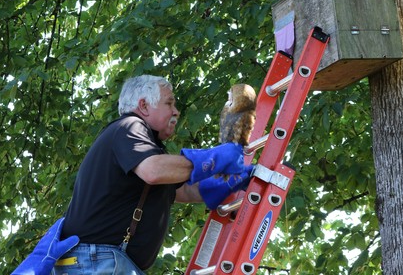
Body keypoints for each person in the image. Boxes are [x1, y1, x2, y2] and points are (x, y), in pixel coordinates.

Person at [49, 75, 252, 274]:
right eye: (169, 103)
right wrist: (215, 157)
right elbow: (153, 170)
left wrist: (231, 182)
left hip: (103, 261)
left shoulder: (144, 150)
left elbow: (185, 191)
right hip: (98, 261)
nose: (176, 112)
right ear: (144, 106)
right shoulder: (128, 127)